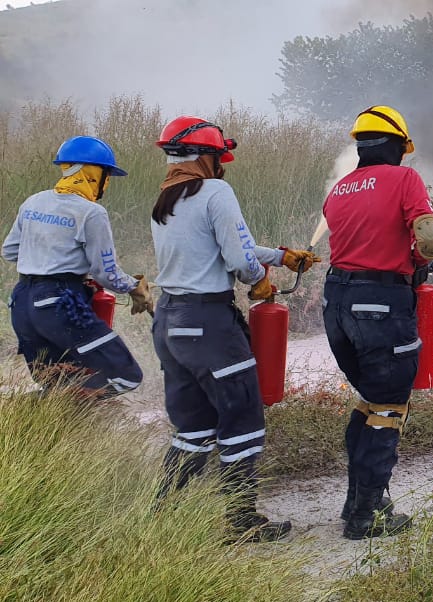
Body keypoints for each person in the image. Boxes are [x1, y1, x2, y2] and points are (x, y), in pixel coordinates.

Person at [148, 116, 320, 543]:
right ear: (207, 156)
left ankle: (159, 517)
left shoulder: (168, 196)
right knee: (242, 417)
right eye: (219, 157)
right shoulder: (215, 191)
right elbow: (240, 260)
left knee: (192, 429)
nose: (222, 166)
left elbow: (219, 243)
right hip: (208, 325)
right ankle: (242, 523)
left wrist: (280, 256)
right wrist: (258, 275)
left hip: (170, 322)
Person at [322, 105, 433, 539]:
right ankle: (366, 517)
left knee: (371, 401)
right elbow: (428, 239)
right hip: (380, 307)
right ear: (397, 146)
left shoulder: (339, 189)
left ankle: (358, 499)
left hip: (336, 304)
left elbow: (361, 241)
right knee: (390, 407)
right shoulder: (405, 178)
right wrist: (425, 258)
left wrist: (410, 260)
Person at [3, 136, 152, 399]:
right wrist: (134, 286)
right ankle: (46, 406)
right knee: (125, 376)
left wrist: (49, 258)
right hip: (60, 305)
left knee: (57, 381)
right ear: (94, 173)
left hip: (22, 304)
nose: (107, 183)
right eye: (107, 175)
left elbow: (10, 251)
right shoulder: (91, 212)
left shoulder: (34, 201)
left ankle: (40, 420)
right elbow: (106, 273)